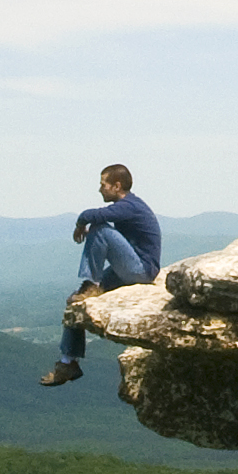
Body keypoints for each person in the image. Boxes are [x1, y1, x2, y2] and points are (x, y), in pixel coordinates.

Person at [41, 162, 163, 387]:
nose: (100, 189)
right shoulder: (127, 206)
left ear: (117, 186)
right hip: (129, 267)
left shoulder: (130, 206)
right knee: (75, 301)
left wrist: (80, 222)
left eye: (103, 184)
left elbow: (93, 215)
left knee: (100, 229)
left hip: (141, 270)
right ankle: (67, 362)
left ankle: (90, 283)